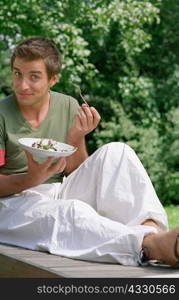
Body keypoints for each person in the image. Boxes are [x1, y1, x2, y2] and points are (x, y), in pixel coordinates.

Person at [0, 36, 178, 268]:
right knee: (69, 212)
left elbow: (77, 170)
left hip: (58, 189)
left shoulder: (67, 106)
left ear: (53, 79)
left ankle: (153, 230)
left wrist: (75, 137)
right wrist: (30, 179)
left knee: (118, 152)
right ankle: (148, 246)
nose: (22, 85)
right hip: (12, 205)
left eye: (34, 76)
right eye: (17, 74)